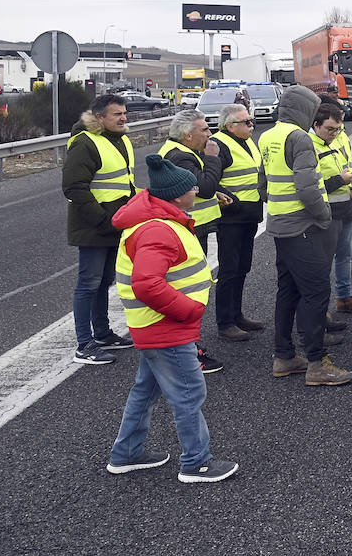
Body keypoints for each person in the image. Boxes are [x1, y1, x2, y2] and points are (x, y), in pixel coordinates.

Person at [105, 154, 238, 484]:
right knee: (189, 393)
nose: (197, 191)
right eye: (193, 188)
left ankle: (127, 454)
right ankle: (196, 462)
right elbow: (147, 283)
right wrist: (188, 311)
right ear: (178, 195)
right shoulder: (159, 231)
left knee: (146, 391)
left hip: (154, 325)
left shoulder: (158, 221)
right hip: (165, 326)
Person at [262, 86, 352, 386]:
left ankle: (284, 356)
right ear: (302, 109)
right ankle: (317, 364)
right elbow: (307, 187)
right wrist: (323, 214)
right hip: (304, 226)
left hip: (279, 224)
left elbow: (263, 184)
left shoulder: (267, 136)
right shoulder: (299, 137)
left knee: (287, 291)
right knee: (315, 294)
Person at [64, 94, 136, 365]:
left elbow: (125, 184)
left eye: (124, 113)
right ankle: (84, 344)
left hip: (115, 225)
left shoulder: (121, 140)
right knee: (88, 284)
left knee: (104, 283)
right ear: (99, 117)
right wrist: (103, 220)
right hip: (94, 226)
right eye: (117, 114)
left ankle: (103, 334)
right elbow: (74, 188)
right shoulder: (85, 143)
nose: (123, 118)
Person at [158, 109, 230, 373]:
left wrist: (216, 193)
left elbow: (198, 188)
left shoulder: (182, 152)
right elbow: (203, 187)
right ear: (188, 135)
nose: (210, 135)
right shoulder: (180, 156)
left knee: (188, 289)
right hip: (187, 231)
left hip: (191, 228)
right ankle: (188, 352)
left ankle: (185, 347)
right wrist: (212, 159)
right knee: (187, 291)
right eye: (204, 130)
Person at [210, 104, 266, 343]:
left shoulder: (246, 140)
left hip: (249, 215)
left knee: (243, 267)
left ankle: (237, 315)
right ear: (230, 125)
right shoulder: (218, 144)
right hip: (231, 218)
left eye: (251, 121)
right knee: (229, 270)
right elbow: (212, 179)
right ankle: (225, 322)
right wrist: (232, 203)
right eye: (246, 122)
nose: (251, 125)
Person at [311, 102, 352, 323]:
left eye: (338, 129)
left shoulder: (338, 138)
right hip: (326, 211)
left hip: (346, 205)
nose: (335, 133)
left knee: (345, 255)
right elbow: (311, 187)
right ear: (316, 125)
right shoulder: (309, 146)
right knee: (323, 261)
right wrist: (341, 181)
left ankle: (344, 298)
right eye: (330, 129)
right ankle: (321, 308)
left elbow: (343, 170)